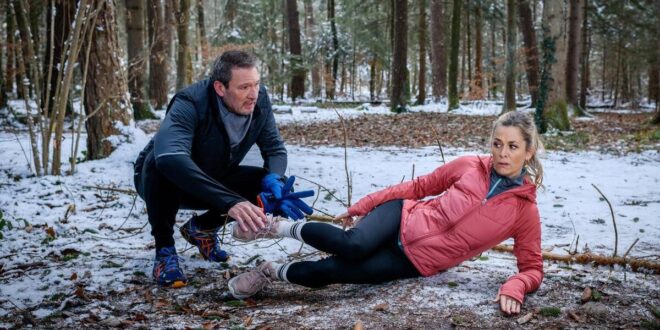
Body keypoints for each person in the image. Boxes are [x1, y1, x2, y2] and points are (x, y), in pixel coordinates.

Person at [227, 111, 544, 315]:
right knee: (353, 245)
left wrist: (515, 286)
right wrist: (367, 203)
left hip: (416, 262)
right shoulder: (469, 166)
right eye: (497, 143)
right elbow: (419, 187)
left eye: (513, 147)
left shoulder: (524, 212)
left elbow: (532, 268)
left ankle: (270, 271)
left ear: (528, 151)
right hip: (401, 217)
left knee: (334, 272)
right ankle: (276, 226)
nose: (502, 153)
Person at [133, 51, 312, 288]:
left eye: (257, 84)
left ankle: (202, 229)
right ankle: (165, 252)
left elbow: (274, 148)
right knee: (159, 163)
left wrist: (274, 180)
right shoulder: (189, 103)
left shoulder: (259, 99)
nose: (253, 94)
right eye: (244, 87)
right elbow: (170, 158)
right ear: (220, 87)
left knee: (262, 182)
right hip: (166, 181)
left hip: (215, 174)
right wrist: (230, 202)